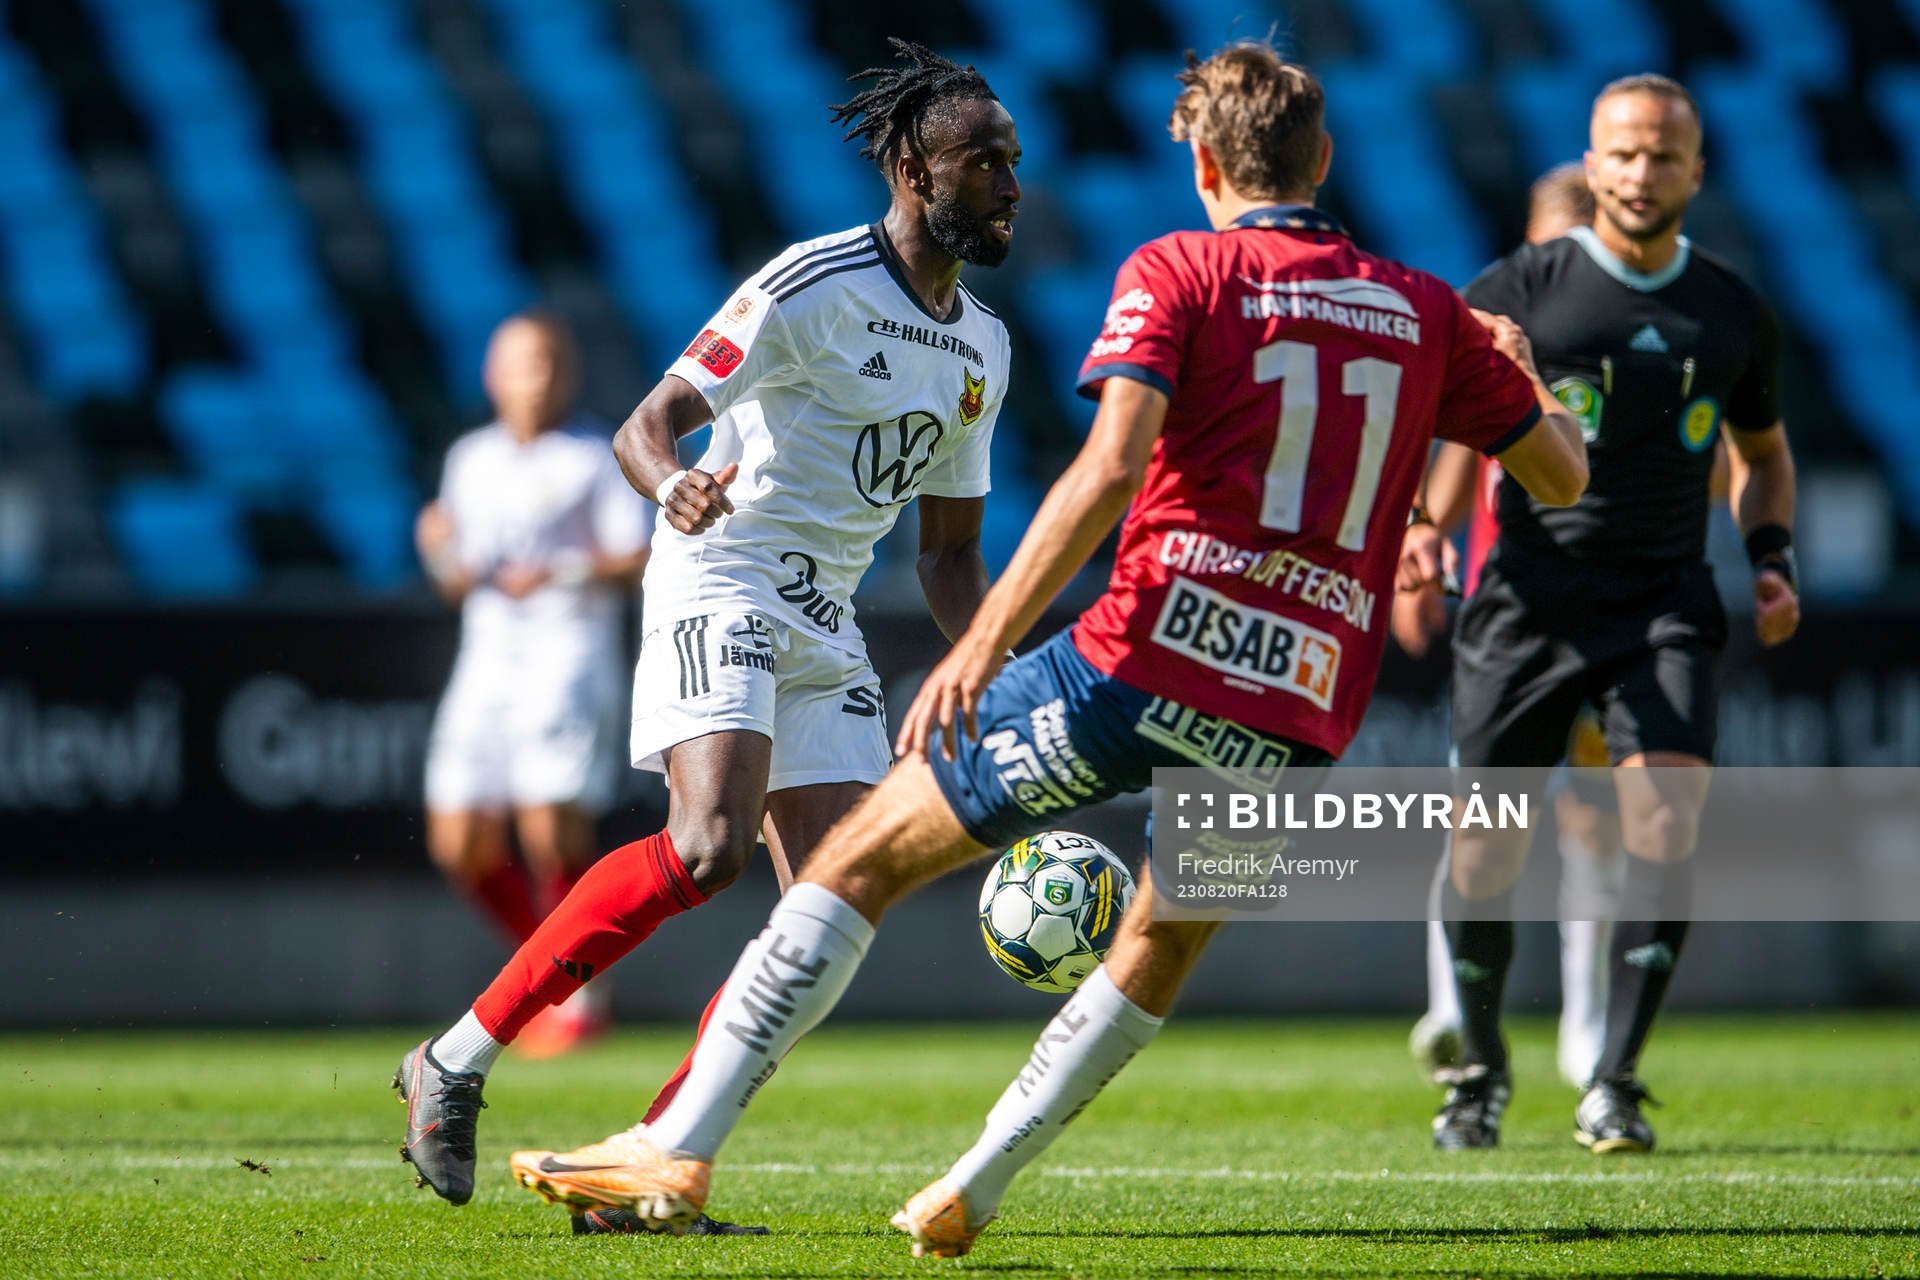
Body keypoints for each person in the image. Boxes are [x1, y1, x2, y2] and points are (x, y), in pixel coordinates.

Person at [498, 42, 1588, 1256]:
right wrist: (1525, 382)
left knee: (852, 859)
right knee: (1163, 939)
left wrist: (988, 647)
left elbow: (1110, 470)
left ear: (1204, 161)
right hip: (1307, 701)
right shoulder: (1430, 310)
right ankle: (976, 1179)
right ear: (1325, 159)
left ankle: (676, 1142)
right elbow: (1557, 469)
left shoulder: (1181, 267)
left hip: (1143, 654)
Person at [392, 38, 1019, 1214]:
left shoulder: (983, 348)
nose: (1008, 183)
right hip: (721, 567)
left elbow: (946, 552)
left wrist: (998, 665)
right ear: (910, 168)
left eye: (1012, 160)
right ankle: (454, 1058)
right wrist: (669, 480)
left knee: (831, 904)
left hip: (826, 612)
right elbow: (646, 425)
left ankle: (657, 1145)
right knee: (708, 845)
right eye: (981, 160)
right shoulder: (809, 282)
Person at [1411, 74, 1798, 1155]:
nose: (1639, 173)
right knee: (1485, 851)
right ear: (1592, 160)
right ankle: (1478, 1071)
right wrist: (1424, 528)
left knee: (1665, 824)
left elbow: (1763, 457)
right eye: (1622, 153)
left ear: (1696, 171)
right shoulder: (1518, 285)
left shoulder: (1730, 310)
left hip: (1664, 598)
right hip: (1528, 598)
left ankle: (1614, 1081)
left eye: (1662, 156)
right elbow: (1452, 422)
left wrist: (1771, 557)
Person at [416, 312, 649, 1057]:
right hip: (487, 657)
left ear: (567, 373)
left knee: (549, 822)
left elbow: (636, 555)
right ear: (492, 375)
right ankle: (553, 970)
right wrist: (437, 551)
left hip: (566, 647)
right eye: (520, 363)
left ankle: (574, 990)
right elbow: (460, 581)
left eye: (547, 362)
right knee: (459, 842)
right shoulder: (470, 460)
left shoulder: (591, 455)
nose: (535, 378)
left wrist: (563, 570)